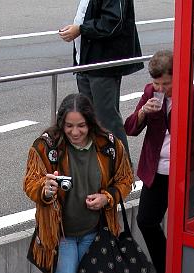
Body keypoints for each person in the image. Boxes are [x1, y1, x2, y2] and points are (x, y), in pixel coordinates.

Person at [24, 93, 133, 273]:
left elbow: (126, 180)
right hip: (59, 236)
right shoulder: (45, 146)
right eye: (69, 126)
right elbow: (30, 182)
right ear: (61, 123)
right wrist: (45, 190)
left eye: (81, 126)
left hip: (96, 233)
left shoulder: (109, 145)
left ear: (90, 123)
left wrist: (107, 198)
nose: (75, 132)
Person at [124, 49, 194, 273]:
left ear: (179, 77)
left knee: (182, 228)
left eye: (166, 83)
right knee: (146, 220)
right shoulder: (151, 94)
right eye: (157, 83)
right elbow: (130, 128)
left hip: (187, 173)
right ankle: (165, 270)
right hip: (157, 169)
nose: (161, 88)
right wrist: (142, 112)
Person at [59, 0, 142, 161]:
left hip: (103, 64)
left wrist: (80, 29)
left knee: (106, 118)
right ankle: (98, 163)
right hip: (86, 61)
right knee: (89, 117)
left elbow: (113, 21)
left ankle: (122, 167)